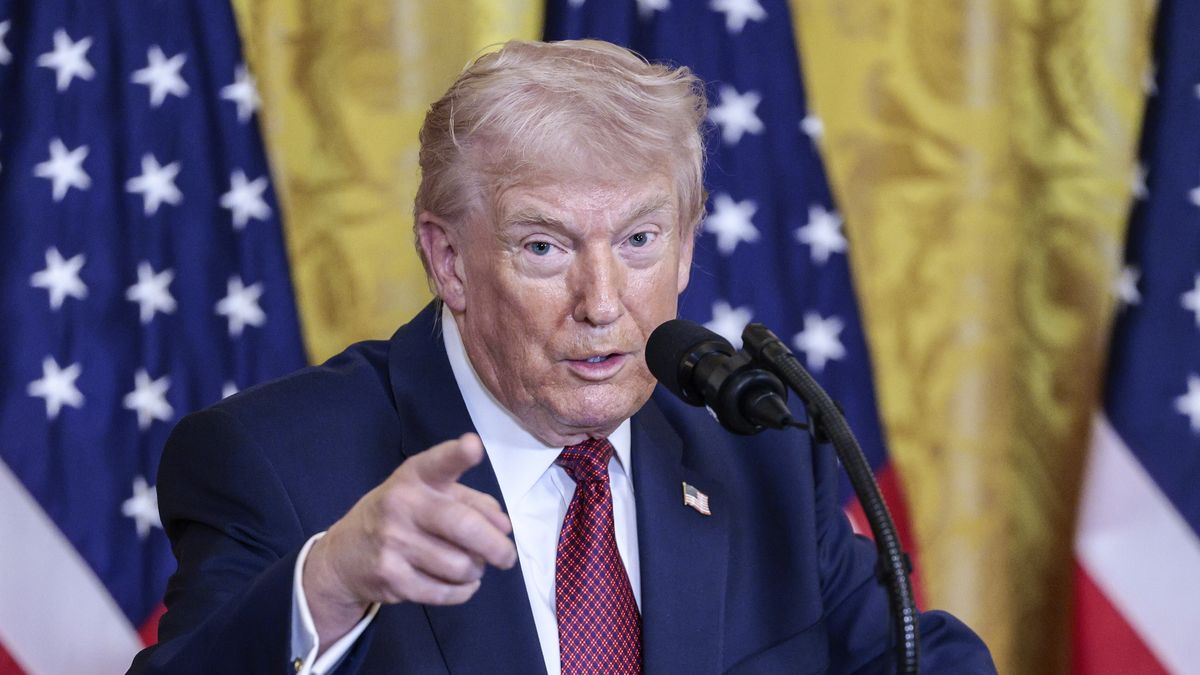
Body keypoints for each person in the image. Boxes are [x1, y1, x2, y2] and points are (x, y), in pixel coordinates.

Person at [129, 39, 995, 674]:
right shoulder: (278, 460)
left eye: (641, 239)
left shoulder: (758, 445)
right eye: (544, 247)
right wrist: (330, 582)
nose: (603, 300)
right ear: (449, 260)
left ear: (689, 248)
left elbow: (908, 656)